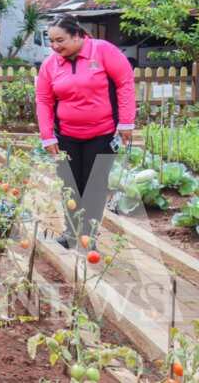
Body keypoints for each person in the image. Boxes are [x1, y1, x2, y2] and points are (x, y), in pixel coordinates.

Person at [35, 14, 135, 249]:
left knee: (95, 186)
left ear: (78, 35)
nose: (55, 46)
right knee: (70, 185)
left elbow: (125, 82)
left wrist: (126, 122)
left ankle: (87, 237)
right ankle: (70, 234)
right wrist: (47, 135)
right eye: (51, 41)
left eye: (60, 40)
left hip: (102, 134)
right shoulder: (51, 64)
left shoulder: (102, 51)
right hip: (66, 136)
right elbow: (43, 99)